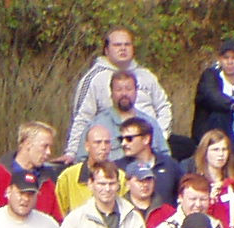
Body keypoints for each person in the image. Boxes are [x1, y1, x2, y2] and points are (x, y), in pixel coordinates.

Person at [66, 28, 174, 160]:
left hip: (147, 146)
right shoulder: (94, 78)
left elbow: (164, 107)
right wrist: (71, 152)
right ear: (106, 50)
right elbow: (82, 118)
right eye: (117, 45)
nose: (123, 49)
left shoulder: (147, 76)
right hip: (112, 151)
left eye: (127, 45)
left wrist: (160, 134)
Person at [0, 121, 62, 225]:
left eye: (50, 147)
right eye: (44, 146)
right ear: (27, 144)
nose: (48, 152)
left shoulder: (47, 183)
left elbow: (55, 223)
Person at [115, 110, 182, 204]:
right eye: (121, 139)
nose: (123, 143)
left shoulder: (170, 165)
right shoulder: (117, 167)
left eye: (129, 139)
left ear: (146, 139)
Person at [54, 124, 117, 217]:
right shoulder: (69, 176)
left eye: (107, 142)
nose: (103, 147)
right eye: (98, 142)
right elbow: (59, 212)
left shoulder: (120, 176)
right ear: (87, 146)